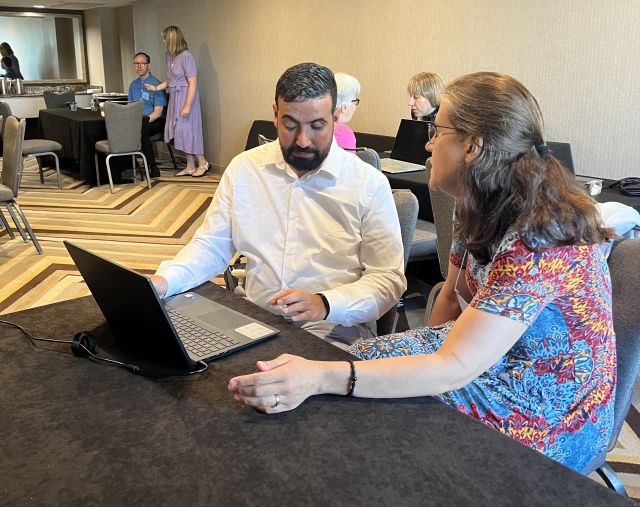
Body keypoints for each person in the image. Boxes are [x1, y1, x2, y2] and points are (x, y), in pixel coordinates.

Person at [228, 72, 617, 473]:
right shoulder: (479, 205)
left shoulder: (539, 238)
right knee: (361, 358)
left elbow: (454, 365)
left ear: (473, 146)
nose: (429, 143)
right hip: (492, 361)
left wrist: (326, 378)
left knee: (369, 405)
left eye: (436, 130)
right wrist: (402, 365)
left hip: (554, 409)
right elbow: (449, 297)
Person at [151, 63, 406, 348]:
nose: (303, 140)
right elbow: (212, 245)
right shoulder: (244, 169)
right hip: (256, 319)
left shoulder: (367, 184)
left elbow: (387, 279)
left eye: (317, 126)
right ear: (275, 114)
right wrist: (165, 280)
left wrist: (325, 303)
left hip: (334, 326)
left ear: (336, 118)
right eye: (290, 124)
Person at [145, 26, 209, 177]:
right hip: (175, 97)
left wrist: (187, 105)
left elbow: (192, 83)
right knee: (179, 131)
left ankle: (203, 162)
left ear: (172, 39)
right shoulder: (168, 55)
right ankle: (190, 166)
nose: (163, 41)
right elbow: (171, 80)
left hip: (187, 97)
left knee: (188, 130)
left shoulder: (186, 57)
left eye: (165, 38)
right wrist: (156, 88)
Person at [128, 52, 166, 180]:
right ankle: (124, 166)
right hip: (137, 121)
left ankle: (152, 166)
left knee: (142, 130)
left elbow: (158, 112)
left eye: (142, 63)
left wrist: (142, 122)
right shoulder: (133, 85)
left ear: (148, 66)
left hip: (156, 121)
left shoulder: (156, 84)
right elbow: (130, 107)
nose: (139, 66)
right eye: (136, 63)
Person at [333, 72, 360, 151]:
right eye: (355, 101)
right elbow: (348, 163)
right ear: (344, 107)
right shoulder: (344, 133)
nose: (355, 106)